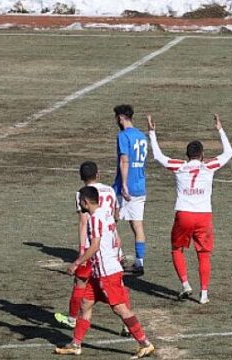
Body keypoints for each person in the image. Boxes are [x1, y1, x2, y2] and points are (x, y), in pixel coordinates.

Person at [54, 186, 155, 358]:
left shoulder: (95, 219)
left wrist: (77, 263)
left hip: (106, 272)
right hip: (100, 271)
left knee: (120, 309)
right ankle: (75, 344)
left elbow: (94, 246)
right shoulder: (107, 214)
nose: (79, 205)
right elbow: (117, 239)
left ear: (86, 202)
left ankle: (144, 343)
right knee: (86, 304)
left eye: (80, 202)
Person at [147, 113, 232, 304]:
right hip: (204, 216)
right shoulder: (209, 166)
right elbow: (228, 154)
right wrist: (220, 129)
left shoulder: (180, 167)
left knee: (177, 249)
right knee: (203, 254)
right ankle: (204, 294)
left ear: (187, 155)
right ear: (202, 155)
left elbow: (159, 156)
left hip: (184, 213)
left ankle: (185, 284)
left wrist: (152, 133)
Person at [54, 161, 127, 335]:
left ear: (81, 177)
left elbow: (83, 222)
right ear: (98, 174)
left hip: (93, 245)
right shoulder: (109, 190)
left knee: (80, 282)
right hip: (111, 243)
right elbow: (116, 215)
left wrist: (81, 249)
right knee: (118, 285)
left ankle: (72, 319)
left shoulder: (82, 194)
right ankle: (126, 324)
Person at [112, 105, 149, 276]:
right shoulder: (142, 136)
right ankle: (139, 262)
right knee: (137, 225)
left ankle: (116, 257)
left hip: (124, 186)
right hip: (140, 186)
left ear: (121, 118)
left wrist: (124, 185)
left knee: (111, 221)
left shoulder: (123, 136)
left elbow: (124, 160)